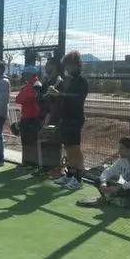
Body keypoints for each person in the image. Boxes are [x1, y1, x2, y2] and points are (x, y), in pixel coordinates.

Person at [51, 51, 89, 190]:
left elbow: (76, 99)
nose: (66, 68)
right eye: (66, 65)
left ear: (76, 64)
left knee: (75, 149)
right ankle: (70, 175)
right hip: (66, 118)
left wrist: (60, 95)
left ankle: (79, 178)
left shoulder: (82, 81)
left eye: (69, 65)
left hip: (75, 118)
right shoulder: (70, 80)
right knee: (68, 148)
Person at [86, 137, 130, 208]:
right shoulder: (123, 159)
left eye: (121, 148)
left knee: (126, 190)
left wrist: (119, 187)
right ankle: (107, 198)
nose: (119, 151)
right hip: (129, 187)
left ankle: (119, 199)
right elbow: (108, 171)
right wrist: (103, 183)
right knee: (98, 180)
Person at [15, 65, 43, 169]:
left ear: (32, 74)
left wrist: (24, 95)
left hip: (33, 117)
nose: (24, 76)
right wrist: (24, 96)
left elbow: (29, 98)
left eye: (26, 74)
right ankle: (26, 162)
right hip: (25, 116)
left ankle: (32, 163)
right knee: (25, 141)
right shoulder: (27, 85)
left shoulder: (37, 84)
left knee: (31, 141)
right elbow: (18, 99)